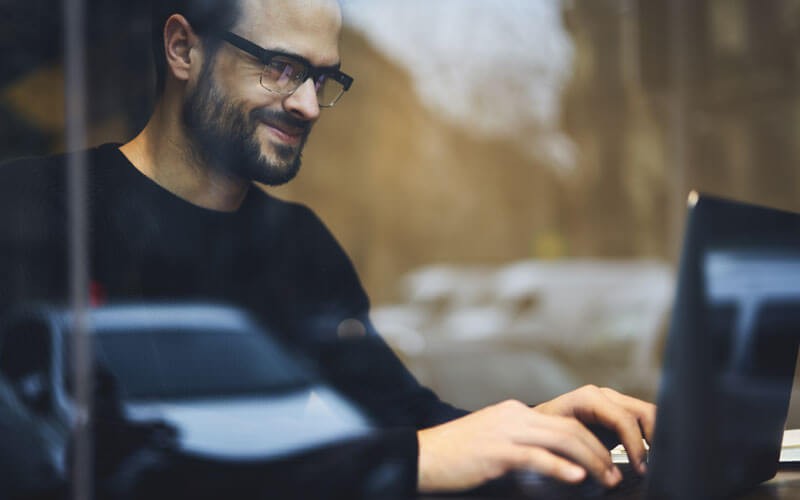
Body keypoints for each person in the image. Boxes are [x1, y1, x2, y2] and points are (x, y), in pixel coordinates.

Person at [0, 0, 655, 496]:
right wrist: (408, 461)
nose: (309, 106)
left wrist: (538, 429)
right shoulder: (36, 209)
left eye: (324, 79)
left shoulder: (301, 245)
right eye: (282, 69)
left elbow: (399, 418)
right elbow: (93, 464)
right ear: (182, 49)